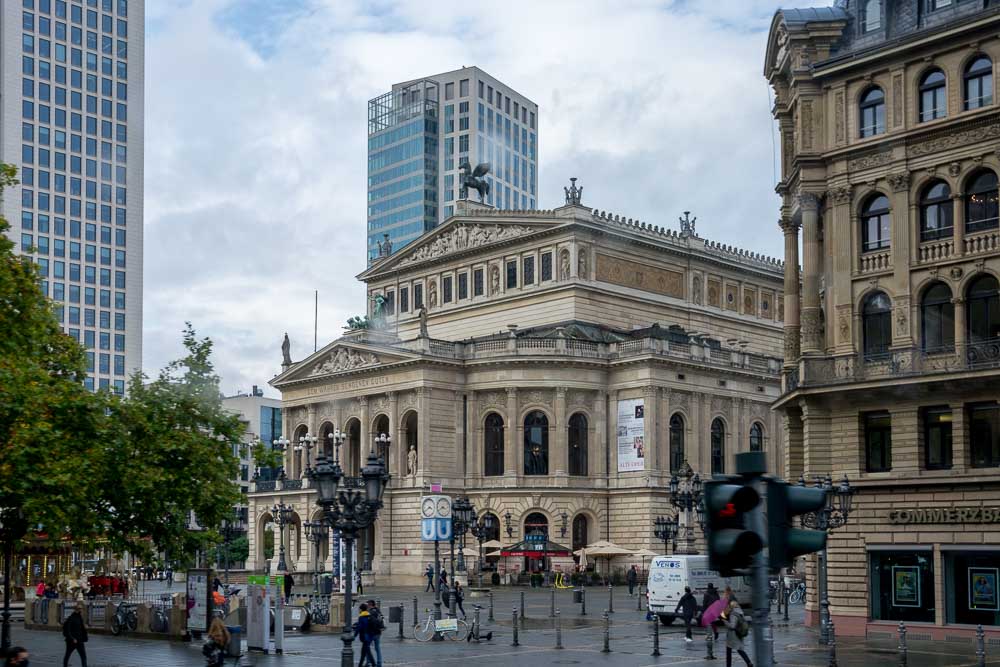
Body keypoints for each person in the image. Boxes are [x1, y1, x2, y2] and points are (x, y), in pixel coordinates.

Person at [723, 599, 753, 667]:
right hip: (739, 633)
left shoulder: (733, 614)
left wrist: (725, 622)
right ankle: (749, 663)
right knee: (739, 649)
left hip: (733, 635)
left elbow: (732, 626)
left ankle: (729, 665)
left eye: (729, 606)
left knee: (730, 650)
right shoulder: (740, 612)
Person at [62, 602, 88, 667]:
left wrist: (84, 636)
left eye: (81, 608)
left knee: (83, 656)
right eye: (80, 609)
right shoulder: (71, 618)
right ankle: (65, 665)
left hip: (79, 640)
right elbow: (67, 630)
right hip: (72, 641)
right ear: (76, 609)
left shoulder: (80, 618)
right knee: (68, 654)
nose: (81, 610)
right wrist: (72, 638)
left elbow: (82, 628)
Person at [354, 603, 376, 667]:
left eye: (359, 609)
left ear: (361, 609)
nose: (359, 610)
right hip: (370, 636)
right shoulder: (369, 615)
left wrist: (354, 635)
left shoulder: (361, 617)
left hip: (364, 637)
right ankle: (360, 665)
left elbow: (360, 627)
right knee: (364, 652)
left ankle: (374, 664)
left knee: (367, 652)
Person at [366, 599, 384, 667]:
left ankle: (368, 662)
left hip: (371, 632)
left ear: (370, 604)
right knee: (377, 648)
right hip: (378, 632)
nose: (367, 606)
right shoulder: (378, 610)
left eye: (368, 604)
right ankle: (379, 663)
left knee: (367, 647)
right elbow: (382, 619)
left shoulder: (370, 612)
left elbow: (369, 622)